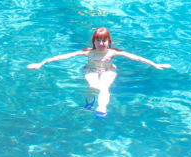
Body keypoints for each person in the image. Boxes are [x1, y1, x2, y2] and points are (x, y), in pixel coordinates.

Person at [28, 27, 170, 116]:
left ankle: (102, 107)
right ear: (93, 42)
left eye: (104, 41)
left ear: (109, 41)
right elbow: (63, 56)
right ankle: (90, 101)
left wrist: (154, 64)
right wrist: (41, 63)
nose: (101, 44)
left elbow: (136, 58)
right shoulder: (88, 52)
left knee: (104, 87)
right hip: (91, 70)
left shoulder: (113, 53)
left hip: (108, 70)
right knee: (93, 87)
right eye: (98, 41)